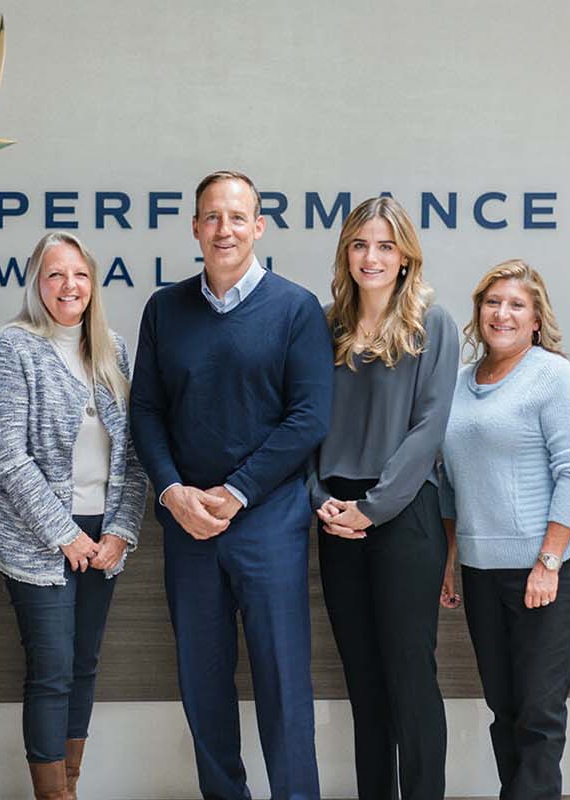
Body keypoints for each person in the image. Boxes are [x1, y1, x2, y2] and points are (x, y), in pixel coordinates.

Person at [129, 170, 333, 800]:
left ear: (259, 227)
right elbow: (146, 412)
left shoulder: (295, 308)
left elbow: (309, 418)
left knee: (282, 682)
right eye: (212, 217)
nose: (225, 229)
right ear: (195, 227)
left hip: (268, 521)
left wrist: (238, 490)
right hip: (188, 522)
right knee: (203, 681)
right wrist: (172, 492)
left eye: (237, 217)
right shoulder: (165, 309)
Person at [0, 232, 149, 800]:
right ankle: (53, 794)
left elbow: (133, 454)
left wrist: (121, 531)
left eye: (78, 274)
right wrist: (63, 533)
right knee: (51, 668)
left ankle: (69, 785)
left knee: (84, 664)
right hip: (40, 539)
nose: (68, 285)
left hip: (103, 535)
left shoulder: (112, 349)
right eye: (54, 275)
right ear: (36, 284)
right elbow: (5, 452)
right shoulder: (16, 346)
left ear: (92, 283)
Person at [308, 196, 459, 800]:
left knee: (410, 680)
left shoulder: (432, 324)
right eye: (360, 245)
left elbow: (429, 429)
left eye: (385, 246)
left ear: (404, 257)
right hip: (335, 516)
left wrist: (372, 508)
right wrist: (320, 498)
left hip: (404, 513)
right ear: (346, 253)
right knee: (364, 685)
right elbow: (306, 422)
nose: (371, 257)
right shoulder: (324, 327)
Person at [438, 259, 570, 799]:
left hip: (547, 568)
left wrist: (548, 562)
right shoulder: (458, 384)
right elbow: (451, 481)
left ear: (535, 319)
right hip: (482, 570)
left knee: (538, 714)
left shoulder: (552, 375)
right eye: (492, 302)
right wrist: (451, 559)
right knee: (503, 708)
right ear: (478, 311)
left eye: (516, 305)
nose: (501, 314)